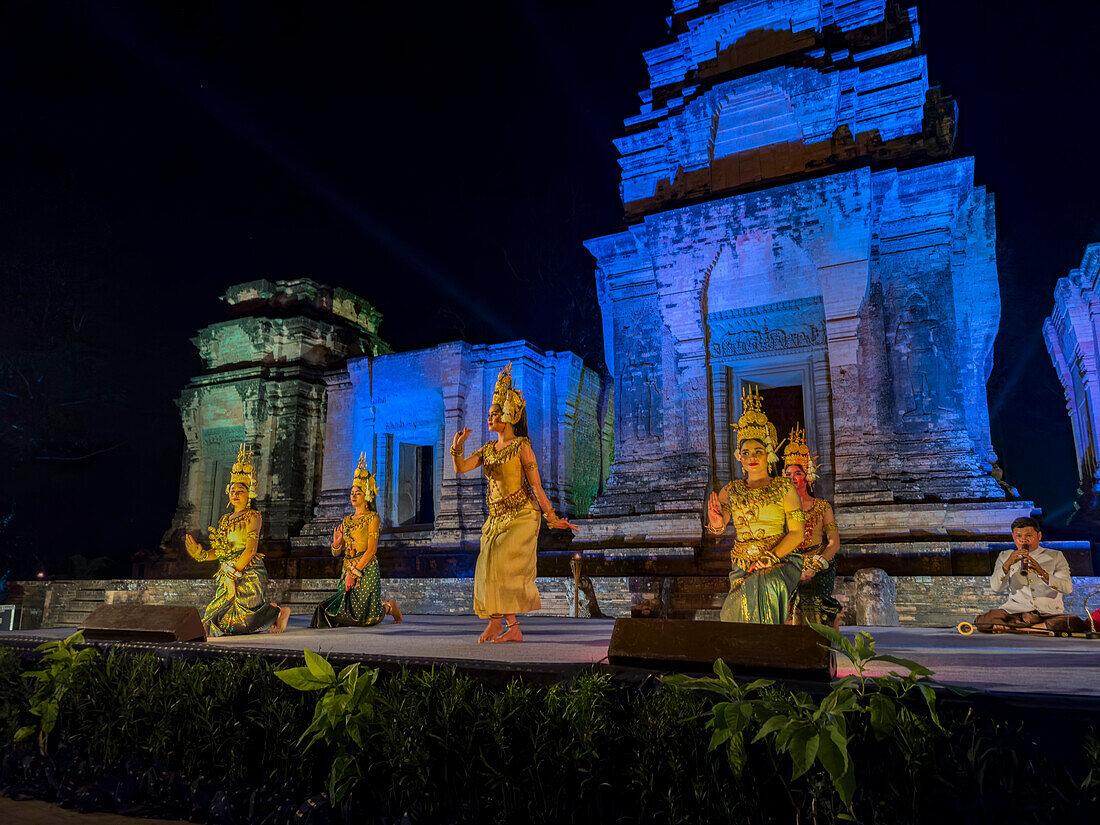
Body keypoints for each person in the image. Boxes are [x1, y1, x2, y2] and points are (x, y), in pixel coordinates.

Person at [450, 363, 578, 643]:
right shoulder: (487, 449)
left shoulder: (522, 446)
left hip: (522, 514)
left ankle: (506, 624)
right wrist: (457, 447)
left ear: (509, 416)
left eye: (495, 413)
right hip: (496, 518)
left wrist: (553, 517)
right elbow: (460, 467)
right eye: (488, 414)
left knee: (498, 560)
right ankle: (504, 625)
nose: (490, 417)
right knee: (487, 563)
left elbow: (536, 486)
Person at [706, 387, 805, 624]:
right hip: (742, 565)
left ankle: (771, 652)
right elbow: (722, 523)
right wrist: (718, 524)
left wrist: (771, 556)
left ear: (768, 454)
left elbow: (797, 533)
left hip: (781, 561)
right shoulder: (731, 491)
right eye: (746, 452)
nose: (752, 457)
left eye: (758, 451)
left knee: (770, 585)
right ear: (739, 456)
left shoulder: (784, 487)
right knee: (731, 611)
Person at [185, 444, 290, 636]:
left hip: (247, 571)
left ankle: (277, 612)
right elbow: (220, 551)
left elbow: (250, 550)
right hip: (227, 573)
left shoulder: (253, 516)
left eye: (239, 491)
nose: (234, 494)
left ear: (249, 494)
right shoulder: (224, 520)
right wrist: (200, 555)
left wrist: (233, 573)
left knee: (241, 622)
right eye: (232, 490)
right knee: (217, 619)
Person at [311, 454, 402, 629]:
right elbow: (336, 553)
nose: (353, 496)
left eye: (357, 493)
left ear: (366, 495)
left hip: (365, 569)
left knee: (364, 618)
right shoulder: (347, 520)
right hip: (347, 569)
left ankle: (389, 606)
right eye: (352, 493)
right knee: (335, 613)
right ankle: (386, 606)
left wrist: (354, 574)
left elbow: (371, 550)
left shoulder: (372, 518)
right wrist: (337, 543)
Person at [973, 517, 1082, 633]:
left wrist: (1042, 573)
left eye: (1028, 536)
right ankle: (1036, 629)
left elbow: (1067, 588)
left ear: (1039, 536)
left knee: (1072, 621)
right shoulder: (1005, 556)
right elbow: (996, 587)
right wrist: (1007, 565)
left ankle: (1017, 629)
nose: (1023, 540)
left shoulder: (1055, 556)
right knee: (983, 620)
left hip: (1047, 613)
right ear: (1013, 537)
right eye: (1019, 536)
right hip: (1016, 611)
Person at [782, 424, 842, 627]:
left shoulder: (822, 507)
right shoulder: (780, 509)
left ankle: (818, 647)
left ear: (807, 476)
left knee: (808, 598)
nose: (793, 479)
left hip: (819, 563)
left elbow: (834, 543)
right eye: (788, 475)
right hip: (791, 563)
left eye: (797, 474)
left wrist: (817, 565)